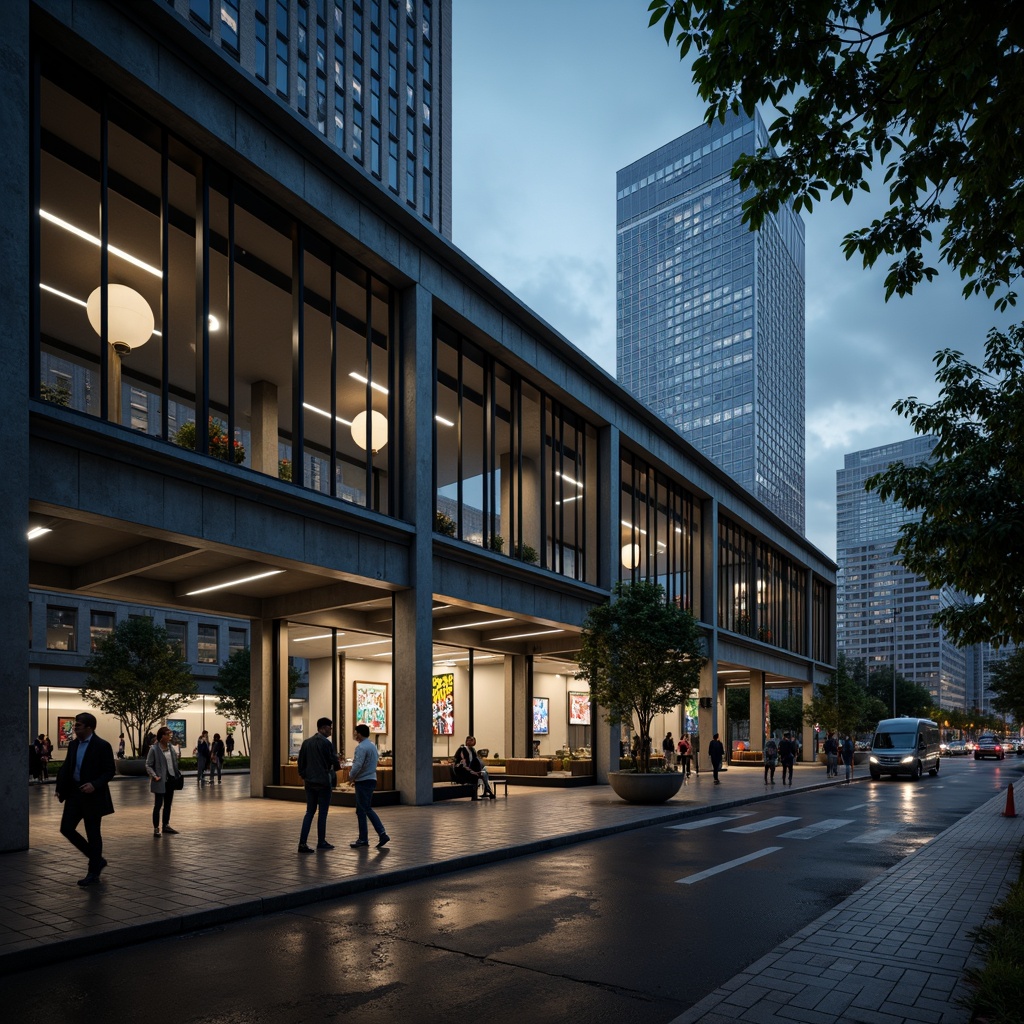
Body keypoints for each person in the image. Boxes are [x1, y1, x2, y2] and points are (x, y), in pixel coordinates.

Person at [54, 712, 115, 886]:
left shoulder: (102, 745)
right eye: (75, 725)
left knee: (93, 833)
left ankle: (93, 872)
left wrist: (94, 784)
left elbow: (109, 771)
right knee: (66, 828)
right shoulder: (73, 745)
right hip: (74, 794)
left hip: (93, 796)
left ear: (89, 727)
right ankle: (96, 858)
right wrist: (60, 788)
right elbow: (67, 767)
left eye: (78, 725)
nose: (75, 728)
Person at [297, 717, 341, 853]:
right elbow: (334, 761)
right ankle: (321, 841)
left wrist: (304, 776)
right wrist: (336, 767)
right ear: (322, 728)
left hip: (310, 783)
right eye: (330, 728)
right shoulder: (326, 744)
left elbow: (300, 763)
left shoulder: (306, 743)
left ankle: (302, 843)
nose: (331, 730)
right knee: (323, 813)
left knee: (309, 812)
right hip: (323, 782)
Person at [348, 723, 389, 848]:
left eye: (355, 733)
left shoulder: (361, 747)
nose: (355, 735)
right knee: (361, 810)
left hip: (363, 780)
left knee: (365, 808)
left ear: (359, 734)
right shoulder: (372, 746)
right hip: (371, 778)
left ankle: (381, 833)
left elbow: (358, 764)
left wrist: (351, 776)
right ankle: (363, 838)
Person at [145, 726, 182, 837]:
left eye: (170, 734)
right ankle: (156, 828)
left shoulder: (170, 747)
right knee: (158, 805)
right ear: (162, 736)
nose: (169, 736)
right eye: (167, 734)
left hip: (170, 779)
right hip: (160, 780)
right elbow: (148, 765)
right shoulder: (154, 749)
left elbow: (174, 762)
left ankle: (166, 825)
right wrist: (154, 776)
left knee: (168, 804)